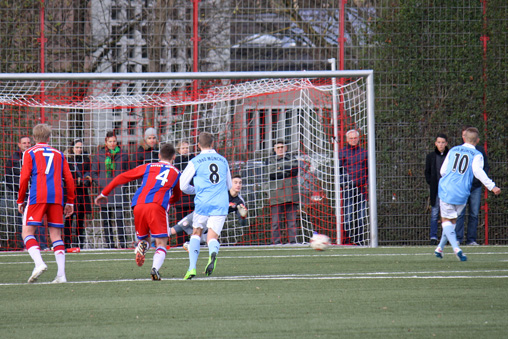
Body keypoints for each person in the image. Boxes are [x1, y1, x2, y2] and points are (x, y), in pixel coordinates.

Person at [94, 143, 181, 280]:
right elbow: (177, 195)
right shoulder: (176, 172)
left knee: (144, 238)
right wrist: (169, 201)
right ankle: (154, 268)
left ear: (159, 156)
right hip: (156, 205)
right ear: (174, 157)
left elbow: (122, 177)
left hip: (138, 204)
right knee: (161, 242)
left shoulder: (149, 166)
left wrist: (105, 192)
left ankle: (142, 245)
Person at [17, 124, 75, 283]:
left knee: (27, 232)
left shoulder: (29, 152)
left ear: (34, 138)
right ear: (49, 138)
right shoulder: (59, 154)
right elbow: (69, 179)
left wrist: (20, 200)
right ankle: (61, 275)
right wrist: (70, 201)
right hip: (57, 196)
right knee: (56, 235)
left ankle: (39, 263)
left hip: (38, 195)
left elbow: (24, 178)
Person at [434, 127, 501, 261]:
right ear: (477, 140)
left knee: (446, 220)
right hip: (463, 192)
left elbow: (442, 171)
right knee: (452, 221)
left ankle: (456, 248)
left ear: (464, 138)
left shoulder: (453, 150)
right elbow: (477, 171)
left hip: (448, 189)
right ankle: (440, 248)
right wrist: (491, 186)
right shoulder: (477, 154)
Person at [179, 132, 232, 280]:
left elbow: (182, 185)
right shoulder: (223, 160)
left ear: (198, 145)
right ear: (213, 144)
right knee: (212, 237)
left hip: (203, 201)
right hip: (221, 202)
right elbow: (229, 185)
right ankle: (213, 252)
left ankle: (192, 268)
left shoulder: (195, 161)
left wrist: (195, 190)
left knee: (196, 232)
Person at [174, 174, 248, 250]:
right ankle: (162, 242)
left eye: (240, 183)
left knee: (209, 238)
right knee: (175, 229)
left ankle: (190, 244)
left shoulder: (240, 201)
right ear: (230, 183)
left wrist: (243, 217)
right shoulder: (222, 192)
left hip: (214, 220)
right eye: (235, 182)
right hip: (203, 213)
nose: (238, 185)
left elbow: (243, 223)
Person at [91, 131, 130, 248]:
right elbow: (94, 173)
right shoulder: (99, 155)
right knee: (106, 220)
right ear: (106, 142)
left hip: (118, 191)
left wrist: (122, 182)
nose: (112, 143)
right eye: (110, 141)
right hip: (104, 192)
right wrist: (102, 183)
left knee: (119, 218)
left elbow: (128, 172)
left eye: (114, 141)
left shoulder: (123, 154)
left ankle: (122, 243)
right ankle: (109, 244)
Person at [455, 126, 490, 246]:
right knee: (460, 214)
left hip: (475, 187)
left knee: (474, 214)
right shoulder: (458, 150)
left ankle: (471, 240)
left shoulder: (479, 151)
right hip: (462, 188)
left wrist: (477, 180)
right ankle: (458, 239)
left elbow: (484, 168)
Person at [2, 136, 38, 248]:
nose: (27, 144)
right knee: (20, 220)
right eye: (24, 143)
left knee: (36, 219)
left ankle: (39, 245)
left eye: (28, 142)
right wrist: (17, 191)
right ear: (19, 144)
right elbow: (8, 177)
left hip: (34, 194)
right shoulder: (13, 158)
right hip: (19, 194)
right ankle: (23, 245)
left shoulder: (35, 156)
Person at [264, 139, 300, 245]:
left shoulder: (292, 158)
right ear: (274, 149)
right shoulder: (270, 160)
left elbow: (294, 171)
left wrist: (280, 168)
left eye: (282, 147)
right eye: (278, 148)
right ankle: (276, 242)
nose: (280, 149)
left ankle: (293, 242)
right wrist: (286, 170)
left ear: (286, 148)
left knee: (292, 221)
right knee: (276, 222)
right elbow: (272, 175)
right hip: (276, 194)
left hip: (291, 194)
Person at [338, 129, 368, 245]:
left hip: (361, 188)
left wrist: (367, 183)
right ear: (347, 139)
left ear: (358, 138)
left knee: (360, 216)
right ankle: (347, 240)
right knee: (348, 216)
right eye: (351, 138)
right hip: (348, 188)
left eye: (355, 138)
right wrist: (343, 184)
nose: (353, 140)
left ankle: (359, 240)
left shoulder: (364, 152)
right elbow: (339, 170)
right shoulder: (342, 153)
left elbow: (368, 169)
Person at [64, 139, 92, 249]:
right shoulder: (68, 160)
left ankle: (80, 242)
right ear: (72, 148)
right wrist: (78, 181)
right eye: (77, 147)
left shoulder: (85, 159)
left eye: (80, 147)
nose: (79, 149)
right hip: (71, 194)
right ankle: (67, 242)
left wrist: (87, 180)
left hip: (82, 194)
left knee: (81, 220)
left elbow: (89, 174)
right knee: (69, 219)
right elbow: (66, 177)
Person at [424, 133, 449, 245]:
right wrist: (432, 183)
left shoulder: (450, 156)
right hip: (436, 189)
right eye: (439, 142)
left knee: (448, 214)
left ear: (446, 144)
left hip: (448, 190)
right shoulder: (431, 156)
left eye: (443, 142)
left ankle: (447, 237)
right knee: (434, 213)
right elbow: (427, 172)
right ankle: (433, 237)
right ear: (435, 143)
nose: (441, 144)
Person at [172, 140, 195, 246]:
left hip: (192, 196)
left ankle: (195, 241)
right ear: (178, 150)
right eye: (183, 148)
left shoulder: (194, 160)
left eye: (187, 148)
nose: (185, 150)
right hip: (180, 197)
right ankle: (181, 243)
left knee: (193, 221)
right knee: (181, 221)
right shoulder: (176, 161)